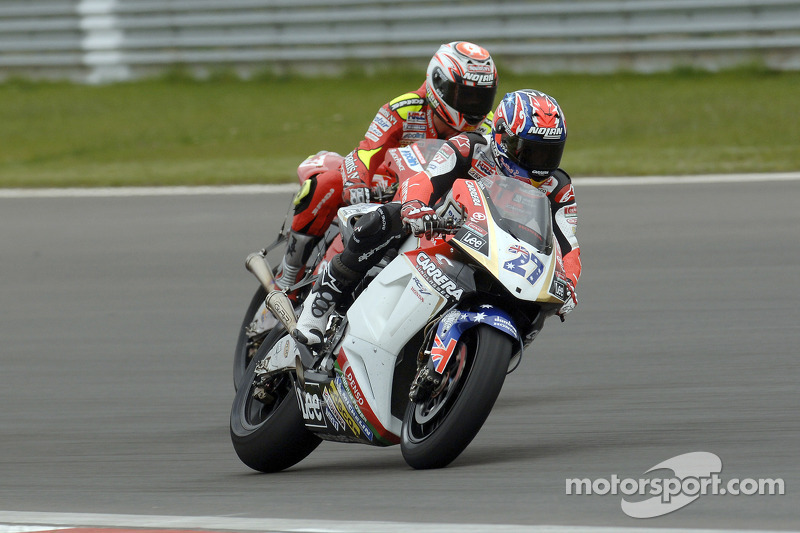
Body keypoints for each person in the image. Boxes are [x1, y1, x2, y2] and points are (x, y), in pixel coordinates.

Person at [294, 89, 582, 346]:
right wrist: (416, 207)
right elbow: (426, 179)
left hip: (496, 253)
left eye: (547, 154)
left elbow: (567, 244)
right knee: (387, 218)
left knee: (541, 300)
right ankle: (323, 298)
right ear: (501, 137)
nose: (536, 164)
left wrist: (568, 282)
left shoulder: (557, 186)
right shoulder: (470, 147)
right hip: (436, 230)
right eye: (527, 151)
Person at [274, 41, 499, 294]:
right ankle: (288, 276)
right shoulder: (404, 108)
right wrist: (356, 183)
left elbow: (499, 181)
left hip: (441, 210)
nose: (475, 106)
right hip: (385, 188)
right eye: (466, 95)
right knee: (328, 183)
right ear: (439, 85)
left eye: (482, 97)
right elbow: (367, 151)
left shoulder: (490, 129)